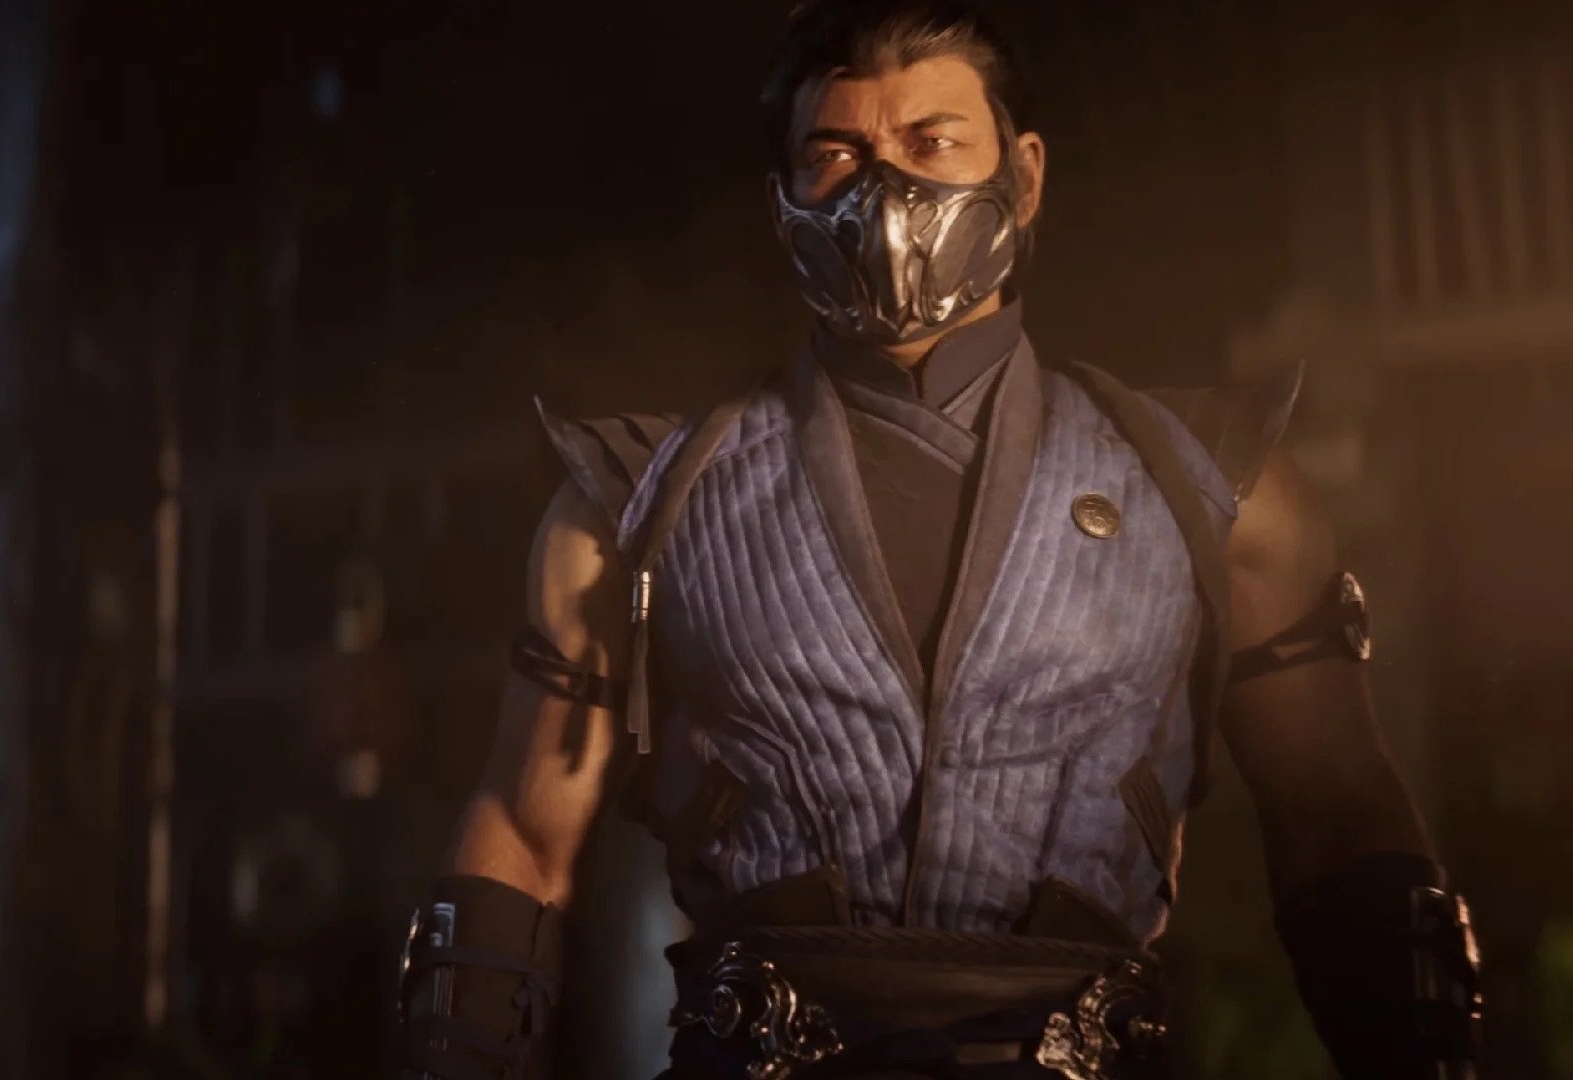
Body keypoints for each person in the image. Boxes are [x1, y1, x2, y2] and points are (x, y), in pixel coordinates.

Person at [394, 3, 1483, 1077]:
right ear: (783, 197)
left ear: (1024, 174)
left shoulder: (1208, 487)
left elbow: (1339, 818)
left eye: (933, 142)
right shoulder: (635, 504)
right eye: (836, 154)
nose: (884, 195)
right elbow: (521, 840)